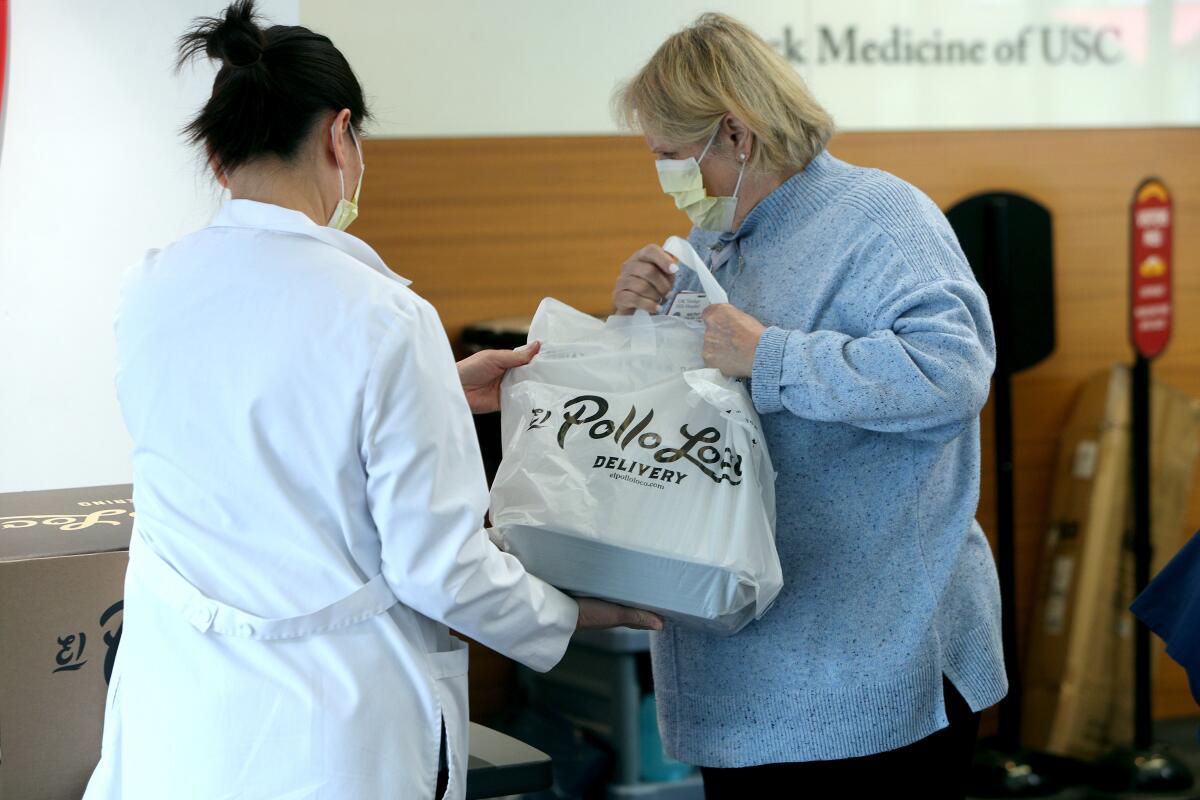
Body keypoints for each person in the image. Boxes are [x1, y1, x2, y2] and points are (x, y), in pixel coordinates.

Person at [83, 3, 659, 799]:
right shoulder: (383, 316)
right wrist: (572, 615)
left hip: (177, 720)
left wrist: (434, 392)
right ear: (338, 135)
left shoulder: (145, 289)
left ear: (217, 157)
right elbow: (440, 570)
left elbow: (251, 426)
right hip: (330, 733)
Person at [611, 14, 1007, 798]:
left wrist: (772, 356)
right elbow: (682, 418)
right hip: (745, 676)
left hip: (865, 675)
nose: (664, 175)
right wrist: (633, 325)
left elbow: (953, 373)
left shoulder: (882, 221)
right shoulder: (714, 241)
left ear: (737, 134)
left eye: (671, 156)